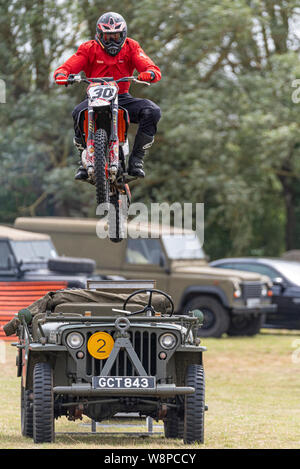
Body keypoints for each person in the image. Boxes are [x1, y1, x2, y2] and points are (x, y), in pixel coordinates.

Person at [54, 11, 161, 180]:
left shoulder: (131, 47)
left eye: (116, 36)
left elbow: (149, 66)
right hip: (94, 97)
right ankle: (83, 160)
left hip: (122, 97)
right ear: (99, 35)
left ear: (123, 34)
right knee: (77, 113)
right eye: (107, 36)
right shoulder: (88, 48)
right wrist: (62, 74)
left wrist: (150, 73)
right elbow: (69, 65)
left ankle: (136, 160)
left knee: (152, 111)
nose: (112, 40)